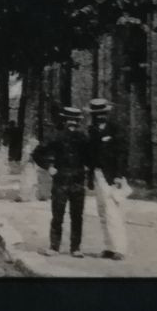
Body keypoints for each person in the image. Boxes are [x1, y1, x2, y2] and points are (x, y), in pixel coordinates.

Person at [31, 106, 92, 257]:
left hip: (78, 181)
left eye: (76, 121)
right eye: (70, 120)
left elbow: (91, 156)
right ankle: (54, 247)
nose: (72, 123)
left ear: (79, 122)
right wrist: (48, 167)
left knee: (77, 216)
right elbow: (37, 153)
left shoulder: (83, 138)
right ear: (64, 120)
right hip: (61, 180)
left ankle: (76, 248)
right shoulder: (55, 137)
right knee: (58, 215)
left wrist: (87, 167)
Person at [86, 98, 130, 260]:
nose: (99, 117)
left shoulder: (115, 129)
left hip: (111, 176)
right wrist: (90, 177)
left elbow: (122, 153)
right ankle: (108, 247)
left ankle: (120, 248)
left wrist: (119, 175)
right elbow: (90, 155)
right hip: (97, 174)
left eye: (102, 114)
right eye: (96, 114)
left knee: (113, 212)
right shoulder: (92, 130)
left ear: (107, 114)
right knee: (102, 211)